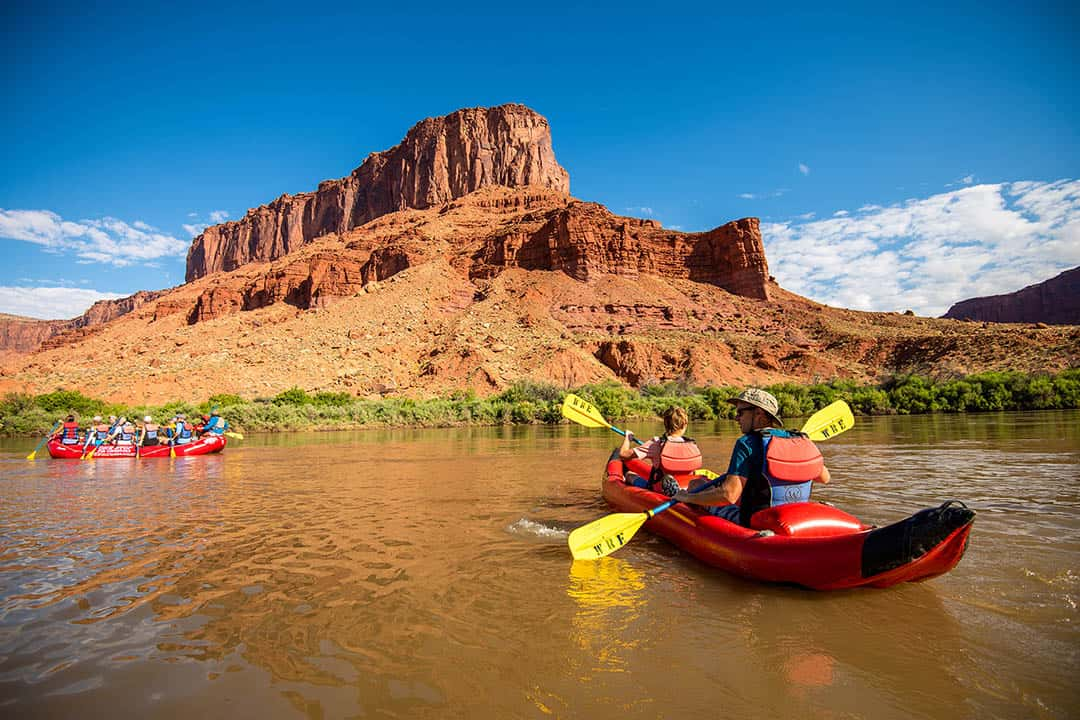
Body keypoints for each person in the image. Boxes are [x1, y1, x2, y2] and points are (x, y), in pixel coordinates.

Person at [672, 388, 830, 525]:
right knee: (704, 483)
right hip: (794, 517)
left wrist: (688, 498)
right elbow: (824, 478)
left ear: (759, 413)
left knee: (695, 485)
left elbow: (728, 496)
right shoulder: (799, 439)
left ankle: (680, 493)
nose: (736, 418)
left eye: (740, 412)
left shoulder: (746, 443)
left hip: (756, 520)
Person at [619, 406, 702, 494]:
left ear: (665, 424)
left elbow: (623, 455)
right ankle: (684, 491)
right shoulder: (691, 444)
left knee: (629, 475)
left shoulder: (657, 443)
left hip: (659, 489)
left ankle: (671, 488)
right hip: (689, 485)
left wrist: (628, 438)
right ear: (685, 425)